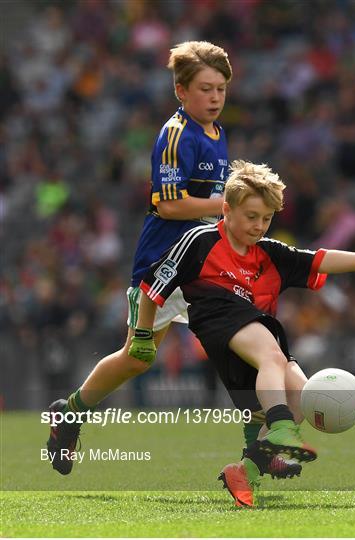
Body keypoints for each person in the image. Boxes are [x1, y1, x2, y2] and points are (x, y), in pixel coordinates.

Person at [130, 160, 355, 507]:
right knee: (273, 363)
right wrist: (141, 335)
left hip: (257, 339)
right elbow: (152, 286)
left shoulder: (270, 254)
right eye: (251, 216)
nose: (259, 226)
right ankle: (280, 427)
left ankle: (246, 471)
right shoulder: (200, 241)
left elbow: (318, 260)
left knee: (302, 395)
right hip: (219, 322)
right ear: (226, 210)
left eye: (266, 219)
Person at [46, 40, 233, 474]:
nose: (215, 98)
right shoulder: (175, 135)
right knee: (139, 356)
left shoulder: (218, 133)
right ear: (181, 91)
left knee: (244, 339)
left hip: (204, 263)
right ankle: (69, 412)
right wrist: (229, 205)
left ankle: (265, 445)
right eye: (205, 89)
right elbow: (168, 204)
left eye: (221, 89)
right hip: (163, 264)